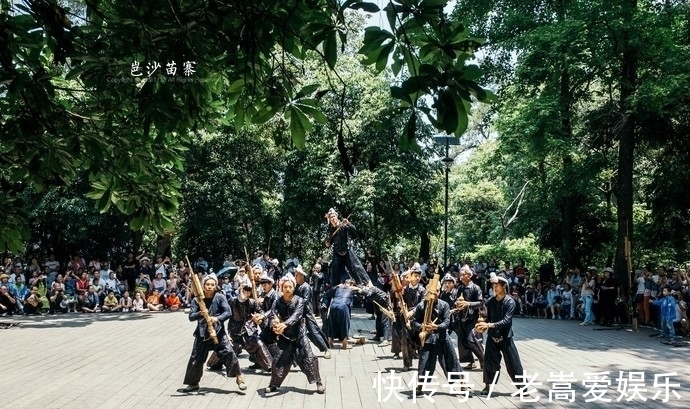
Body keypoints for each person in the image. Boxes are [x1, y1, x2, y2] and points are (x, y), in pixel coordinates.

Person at [181, 273, 245, 393]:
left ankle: (239, 378)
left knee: (229, 353)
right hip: (202, 334)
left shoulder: (220, 297)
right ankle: (193, 383)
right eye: (207, 284)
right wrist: (201, 313)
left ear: (216, 286)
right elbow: (191, 316)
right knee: (196, 358)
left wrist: (216, 318)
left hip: (218, 332)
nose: (210, 287)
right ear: (203, 286)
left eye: (212, 284)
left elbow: (228, 312)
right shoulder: (197, 299)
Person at [264, 273, 325, 395]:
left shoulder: (300, 301)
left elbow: (296, 316)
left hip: (299, 336)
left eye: (290, 287)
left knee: (309, 358)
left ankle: (318, 382)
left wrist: (284, 325)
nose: (288, 289)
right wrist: (274, 325)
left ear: (293, 288)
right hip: (285, 337)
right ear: (282, 288)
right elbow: (272, 315)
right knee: (278, 360)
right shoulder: (277, 301)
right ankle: (273, 384)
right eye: (285, 287)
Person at [475, 273, 526, 396]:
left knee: (513, 363)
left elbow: (506, 320)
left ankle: (522, 387)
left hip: (506, 337)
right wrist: (482, 324)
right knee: (489, 362)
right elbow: (489, 318)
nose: (494, 287)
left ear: (504, 286)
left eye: (497, 284)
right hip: (493, 336)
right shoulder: (491, 301)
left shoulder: (510, 302)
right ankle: (487, 386)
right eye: (493, 285)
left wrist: (489, 325)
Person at [411, 277, 464, 392]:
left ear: (438, 292)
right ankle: (420, 385)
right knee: (425, 361)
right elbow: (414, 321)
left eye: (435, 292)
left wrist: (437, 327)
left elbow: (446, 322)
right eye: (430, 292)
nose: (432, 294)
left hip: (442, 336)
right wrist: (422, 327)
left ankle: (462, 382)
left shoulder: (444, 305)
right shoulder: (421, 305)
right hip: (428, 338)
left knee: (451, 359)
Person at [324, 208, 371, 287]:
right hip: (337, 252)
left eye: (333, 216)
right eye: (330, 217)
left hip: (347, 250)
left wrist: (348, 223)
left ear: (336, 216)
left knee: (355, 267)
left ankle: (365, 284)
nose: (332, 218)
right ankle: (335, 288)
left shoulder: (343, 225)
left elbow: (354, 230)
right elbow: (330, 241)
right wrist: (328, 243)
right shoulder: (331, 229)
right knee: (335, 271)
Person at [294, 266, 331, 359]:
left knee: (314, 331)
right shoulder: (297, 286)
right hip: (298, 312)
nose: (295, 277)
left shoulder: (306, 287)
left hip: (306, 312)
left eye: (297, 275)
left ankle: (326, 349)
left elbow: (305, 301)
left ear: (302, 276)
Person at [453, 266, 485, 370]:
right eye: (460, 275)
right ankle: (470, 361)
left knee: (473, 339)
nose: (461, 277)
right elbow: (457, 300)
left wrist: (468, 304)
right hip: (462, 317)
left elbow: (481, 302)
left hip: (473, 318)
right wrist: (457, 304)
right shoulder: (461, 288)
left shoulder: (476, 288)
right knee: (462, 340)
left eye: (463, 275)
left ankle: (483, 360)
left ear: (469, 276)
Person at [324, 279, 357, 349]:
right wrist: (357, 288)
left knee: (331, 323)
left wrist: (337, 286)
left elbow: (327, 293)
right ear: (352, 284)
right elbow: (362, 293)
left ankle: (330, 342)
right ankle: (344, 344)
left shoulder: (338, 288)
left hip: (333, 305)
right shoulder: (352, 289)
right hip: (343, 306)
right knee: (344, 324)